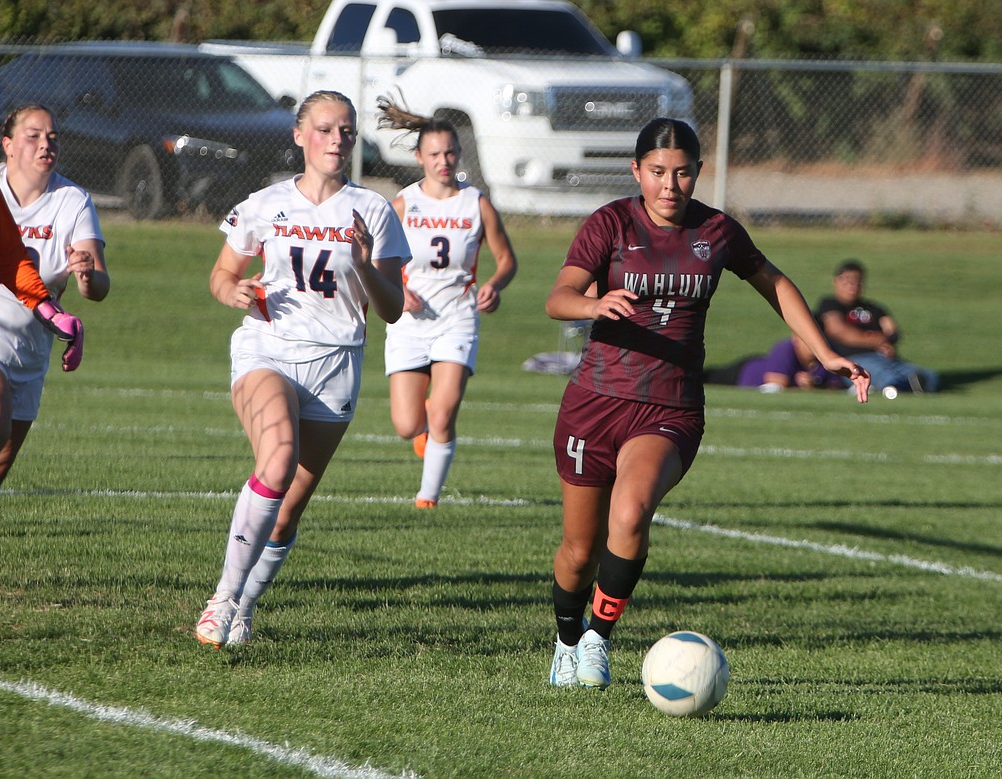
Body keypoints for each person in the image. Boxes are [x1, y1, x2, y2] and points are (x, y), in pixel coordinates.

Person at [544, 118, 870, 689]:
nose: (671, 185)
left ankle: (597, 638)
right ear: (636, 172)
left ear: (698, 172)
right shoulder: (611, 224)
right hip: (594, 403)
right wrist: (592, 307)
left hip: (669, 407)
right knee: (578, 550)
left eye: (684, 172)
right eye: (658, 172)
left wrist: (824, 352)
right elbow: (559, 297)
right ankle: (566, 638)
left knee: (632, 512)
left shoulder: (717, 231)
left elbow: (775, 282)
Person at [196, 90, 409, 648]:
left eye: (346, 130)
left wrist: (363, 264)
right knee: (278, 458)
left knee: (287, 512)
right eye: (324, 129)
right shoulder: (264, 203)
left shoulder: (376, 210)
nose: (336, 139)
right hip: (267, 348)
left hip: (337, 364)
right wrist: (233, 290)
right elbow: (221, 274)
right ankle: (222, 598)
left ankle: (243, 606)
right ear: (299, 135)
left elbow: (390, 308)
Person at [0, 104, 110, 587]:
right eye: (33, 135)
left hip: (29, 348)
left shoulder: (71, 200)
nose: (45, 144)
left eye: (52, 136)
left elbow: (98, 284)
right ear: (7, 144)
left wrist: (87, 276)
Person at [376, 96, 518, 508]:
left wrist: (495, 284)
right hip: (408, 321)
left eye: (451, 152)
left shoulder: (477, 203)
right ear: (419, 156)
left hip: (457, 316)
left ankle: (427, 499)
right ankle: (421, 432)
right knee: (407, 425)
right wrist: (397, 291)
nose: (444, 160)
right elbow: (374, 260)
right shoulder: (403, 204)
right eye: (435, 153)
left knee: (443, 413)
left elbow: (507, 259)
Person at [815, 259, 939, 395]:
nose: (852, 285)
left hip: (883, 357)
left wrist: (887, 342)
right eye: (847, 280)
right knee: (884, 375)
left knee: (928, 375)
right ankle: (896, 388)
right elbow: (838, 330)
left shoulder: (873, 308)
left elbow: (892, 330)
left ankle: (913, 387)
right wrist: (876, 340)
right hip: (853, 359)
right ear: (836, 282)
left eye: (857, 280)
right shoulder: (830, 304)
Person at [704, 335, 844, 392]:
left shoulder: (829, 354)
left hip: (757, 366)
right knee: (704, 377)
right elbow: (775, 385)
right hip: (743, 373)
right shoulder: (786, 349)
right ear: (796, 337)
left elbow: (835, 387)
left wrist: (815, 386)